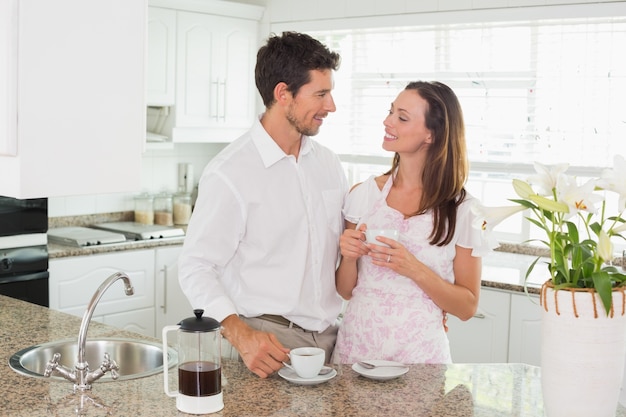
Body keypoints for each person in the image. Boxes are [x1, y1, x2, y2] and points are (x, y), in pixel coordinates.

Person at [178, 31, 348, 378]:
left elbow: (345, 254)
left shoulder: (328, 165)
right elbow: (196, 266)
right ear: (283, 94)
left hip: (334, 341)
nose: (331, 106)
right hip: (267, 341)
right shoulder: (230, 173)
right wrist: (240, 335)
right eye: (320, 94)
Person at [333, 81, 490, 364]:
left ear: (431, 134)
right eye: (390, 112)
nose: (387, 121)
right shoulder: (364, 195)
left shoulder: (463, 210)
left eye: (402, 117)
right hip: (355, 354)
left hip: (422, 360)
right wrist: (348, 257)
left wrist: (413, 268)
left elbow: (467, 306)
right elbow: (345, 290)